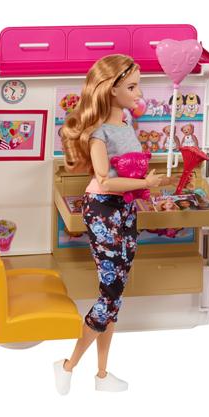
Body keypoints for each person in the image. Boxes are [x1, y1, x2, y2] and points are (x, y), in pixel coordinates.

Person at [55, 55, 167, 394]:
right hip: (104, 210)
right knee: (111, 292)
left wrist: (147, 188)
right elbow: (104, 180)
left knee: (114, 294)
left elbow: (125, 173)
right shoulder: (99, 133)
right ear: (111, 89)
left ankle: (102, 374)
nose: (138, 93)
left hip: (125, 208)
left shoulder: (126, 124)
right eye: (131, 87)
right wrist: (146, 183)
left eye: (138, 86)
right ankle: (68, 366)